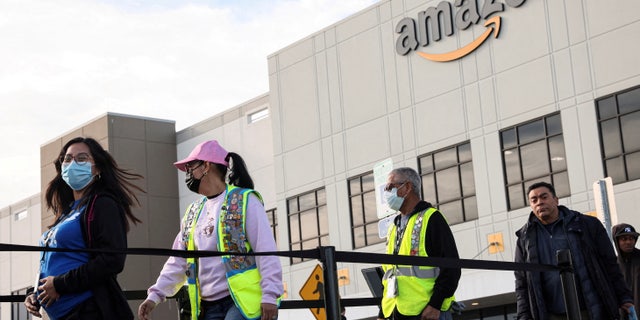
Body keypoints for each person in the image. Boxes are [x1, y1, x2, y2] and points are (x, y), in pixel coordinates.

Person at [138, 140, 283, 320]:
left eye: (190, 166)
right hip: (207, 307)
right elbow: (178, 261)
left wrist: (270, 294)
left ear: (206, 165)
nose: (188, 173)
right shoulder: (193, 212)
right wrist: (154, 296)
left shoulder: (245, 201)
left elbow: (266, 249)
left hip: (242, 305)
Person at [23, 137, 144, 319]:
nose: (72, 164)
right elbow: (55, 262)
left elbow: (112, 260)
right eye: (68, 159)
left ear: (98, 168)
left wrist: (60, 284)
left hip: (90, 310)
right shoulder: (67, 212)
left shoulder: (103, 204)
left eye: (82, 158)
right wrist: (35, 293)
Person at [514, 181, 634, 319]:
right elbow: (521, 283)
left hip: (590, 310)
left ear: (556, 200)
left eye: (544, 197)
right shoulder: (524, 238)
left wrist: (624, 297)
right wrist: (523, 315)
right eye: (534, 200)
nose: (539, 202)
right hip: (551, 314)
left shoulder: (587, 225)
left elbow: (610, 265)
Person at [378, 167, 461, 320]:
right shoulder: (393, 227)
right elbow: (390, 274)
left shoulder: (432, 218)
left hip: (426, 312)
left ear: (407, 187)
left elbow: (452, 268)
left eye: (390, 187)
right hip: (397, 311)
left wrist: (435, 305)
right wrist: (382, 313)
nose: (387, 193)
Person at [613, 223, 640, 313]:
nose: (628, 242)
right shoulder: (613, 265)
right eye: (624, 239)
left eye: (631, 238)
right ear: (617, 241)